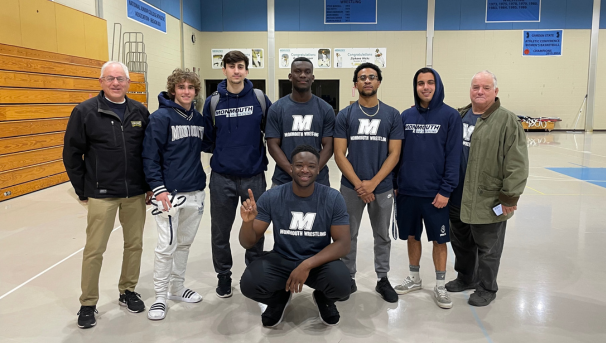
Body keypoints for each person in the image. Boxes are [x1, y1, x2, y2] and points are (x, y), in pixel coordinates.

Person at [63, 61, 152, 329]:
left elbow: (148, 152)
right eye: (110, 78)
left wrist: (148, 185)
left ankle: (128, 290)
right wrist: (83, 189)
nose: (116, 83)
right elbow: (71, 154)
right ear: (101, 81)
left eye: (120, 79)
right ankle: (88, 303)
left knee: (134, 245)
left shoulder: (140, 111)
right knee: (94, 250)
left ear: (128, 82)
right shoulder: (85, 111)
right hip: (102, 194)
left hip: (135, 193)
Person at [239, 145, 351, 327]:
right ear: (290, 168)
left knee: (343, 284)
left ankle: (324, 298)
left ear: (318, 169)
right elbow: (248, 242)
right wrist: (247, 222)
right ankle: (278, 298)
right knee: (250, 283)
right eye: (299, 165)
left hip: (318, 261)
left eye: (311, 166)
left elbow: (343, 244)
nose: (305, 170)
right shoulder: (272, 197)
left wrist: (306, 265)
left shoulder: (332, 198)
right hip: (282, 259)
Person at [446, 70, 529, 307]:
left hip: (488, 198)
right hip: (458, 197)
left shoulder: (506, 121)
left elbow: (517, 162)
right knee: (461, 243)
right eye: (475, 87)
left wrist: (510, 196)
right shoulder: (459, 116)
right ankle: (466, 277)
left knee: (488, 247)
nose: (480, 92)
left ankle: (487, 287)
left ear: (496, 91)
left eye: (486, 87)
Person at [142, 69, 213, 320]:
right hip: (168, 195)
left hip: (195, 190)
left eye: (190, 87)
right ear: (173, 90)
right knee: (165, 247)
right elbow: (149, 156)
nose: (186, 91)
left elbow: (210, 144)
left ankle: (176, 288)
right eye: (181, 87)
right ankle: (160, 296)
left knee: (183, 244)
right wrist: (157, 189)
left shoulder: (198, 118)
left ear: (196, 91)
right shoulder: (160, 117)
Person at [202, 51, 272, 298]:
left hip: (253, 176)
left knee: (255, 227)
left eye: (241, 66)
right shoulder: (213, 102)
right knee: (220, 231)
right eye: (231, 67)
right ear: (224, 70)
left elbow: (271, 133)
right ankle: (223, 276)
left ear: (247, 71)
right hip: (222, 178)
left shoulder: (260, 99)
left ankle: (253, 273)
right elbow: (208, 139)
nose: (236, 71)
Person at [393, 67, 463, 309]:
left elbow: (454, 157)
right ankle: (414, 278)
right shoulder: (405, 116)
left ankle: (441, 285)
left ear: (438, 85)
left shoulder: (450, 116)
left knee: (440, 241)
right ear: (415, 87)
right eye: (420, 83)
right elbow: (397, 154)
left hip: (436, 195)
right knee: (412, 237)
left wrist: (446, 190)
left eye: (430, 82)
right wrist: (395, 184)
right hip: (408, 192)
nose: (425, 87)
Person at [333, 63, 403, 303]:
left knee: (382, 235)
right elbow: (339, 153)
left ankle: (382, 279)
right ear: (356, 84)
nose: (367, 81)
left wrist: (373, 183)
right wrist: (359, 185)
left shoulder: (392, 114)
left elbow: (394, 153)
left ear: (379, 82)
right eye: (362, 78)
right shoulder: (345, 115)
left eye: (372, 77)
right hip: (351, 187)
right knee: (347, 234)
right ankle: (347, 277)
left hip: (381, 187)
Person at [266, 57, 335, 187]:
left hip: (318, 181)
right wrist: (292, 171)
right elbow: (272, 145)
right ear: (290, 76)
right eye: (298, 71)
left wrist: (312, 171)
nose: (303, 75)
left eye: (307, 72)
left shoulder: (325, 109)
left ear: (313, 77)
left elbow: (329, 146)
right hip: (283, 179)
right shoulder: (277, 109)